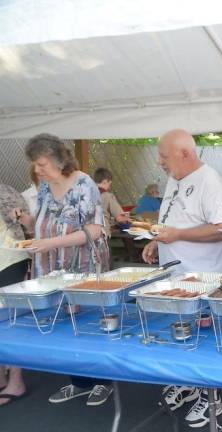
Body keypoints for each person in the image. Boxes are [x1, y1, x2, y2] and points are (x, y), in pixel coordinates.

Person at [141, 129, 222, 429]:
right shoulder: (175, 178)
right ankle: (189, 384)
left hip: (203, 279)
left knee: (206, 339)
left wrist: (177, 235)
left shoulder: (209, 181)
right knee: (182, 333)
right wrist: (158, 240)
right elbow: (173, 220)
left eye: (164, 156)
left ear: (185, 153)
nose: (159, 162)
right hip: (175, 276)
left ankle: (212, 396)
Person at [13, 133, 112, 406]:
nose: (37, 169)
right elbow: (43, 222)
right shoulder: (45, 186)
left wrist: (50, 243)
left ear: (59, 160)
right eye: (35, 163)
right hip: (52, 266)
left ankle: (103, 381)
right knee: (65, 325)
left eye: (41, 163)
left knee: (90, 323)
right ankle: (78, 381)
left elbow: (93, 229)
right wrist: (25, 219)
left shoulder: (83, 184)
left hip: (81, 266)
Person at [0, 184, 31, 407]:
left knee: (11, 321)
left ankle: (16, 381)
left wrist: (16, 215)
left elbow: (23, 216)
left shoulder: (5, 191)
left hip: (9, 259)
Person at [93, 167, 129, 232]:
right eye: (109, 184)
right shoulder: (107, 196)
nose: (108, 187)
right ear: (105, 181)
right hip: (100, 232)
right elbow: (120, 218)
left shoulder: (86, 194)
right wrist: (128, 219)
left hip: (86, 233)